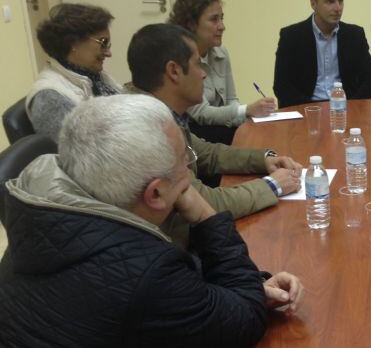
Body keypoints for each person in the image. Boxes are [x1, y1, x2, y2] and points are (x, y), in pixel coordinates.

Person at [0, 94, 303, 346]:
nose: (189, 161)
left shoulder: (46, 211)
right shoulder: (147, 273)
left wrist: (245, 288)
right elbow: (246, 322)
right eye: (184, 157)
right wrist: (206, 217)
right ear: (155, 193)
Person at [126, 23, 302, 247]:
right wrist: (272, 186)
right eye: (198, 64)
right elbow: (206, 203)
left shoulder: (160, 110)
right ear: (174, 71)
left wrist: (264, 158)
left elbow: (206, 153)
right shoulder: (149, 128)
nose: (204, 74)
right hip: (176, 253)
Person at [169, 0, 276, 145]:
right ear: (191, 24)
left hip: (222, 126)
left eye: (222, 18)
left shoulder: (221, 52)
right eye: (214, 20)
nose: (222, 26)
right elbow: (201, 113)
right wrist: (246, 110)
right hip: (196, 134)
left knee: (264, 132)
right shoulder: (179, 57)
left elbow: (232, 99)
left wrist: (245, 113)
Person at [273, 0, 371, 108]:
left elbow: (370, 82)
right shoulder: (291, 36)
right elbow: (282, 86)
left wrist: (349, 107)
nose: (338, 8)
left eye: (341, 1)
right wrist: (314, 111)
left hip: (347, 109)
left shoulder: (355, 35)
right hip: (306, 111)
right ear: (313, 3)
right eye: (330, 2)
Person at [25, 3, 122, 142]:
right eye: (103, 42)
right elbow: (81, 153)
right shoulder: (49, 99)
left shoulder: (91, 75)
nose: (108, 52)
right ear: (73, 44)